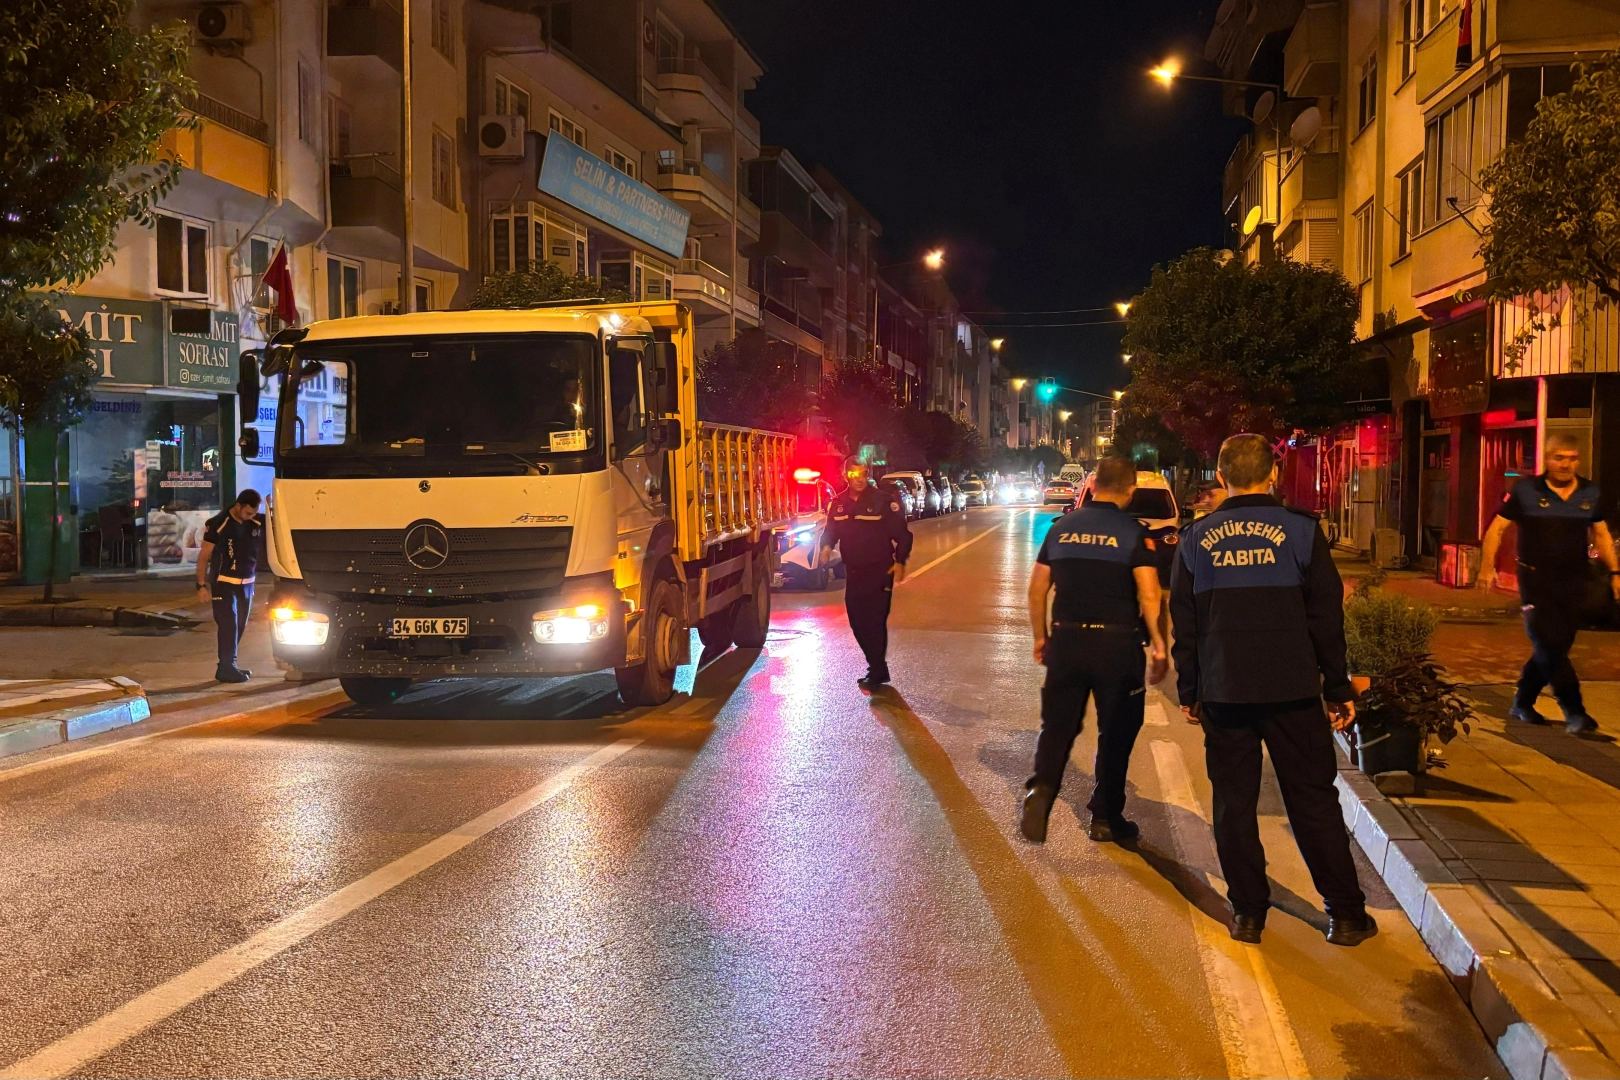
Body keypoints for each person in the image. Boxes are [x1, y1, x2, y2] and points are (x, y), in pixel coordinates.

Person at [1170, 434, 1376, 947]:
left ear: (1221, 477)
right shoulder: (1303, 533)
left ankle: (1248, 913)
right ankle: (1346, 914)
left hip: (1225, 690)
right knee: (1311, 799)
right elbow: (1327, 620)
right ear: (1273, 475)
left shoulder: (1196, 540)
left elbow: (1186, 622)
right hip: (1292, 691)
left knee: (1233, 803)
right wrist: (1337, 686)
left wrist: (1190, 687)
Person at [1020, 456, 1170, 845]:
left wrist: (1040, 637)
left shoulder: (1061, 528)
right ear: (1130, 489)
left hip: (1067, 642)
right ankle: (1105, 817)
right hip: (1117, 647)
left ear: (1092, 486)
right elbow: (1149, 594)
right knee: (1117, 731)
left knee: (1057, 727)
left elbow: (1037, 590)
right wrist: (1159, 645)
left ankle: (1042, 789)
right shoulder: (1132, 533)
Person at [1479, 433, 1620, 735]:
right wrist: (1485, 567)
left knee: (1556, 646)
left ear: (1578, 460)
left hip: (1573, 580)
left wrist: (1615, 574)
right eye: (1559, 457)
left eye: (1571, 458)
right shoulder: (1526, 490)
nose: (1565, 464)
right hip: (1535, 579)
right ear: (1547, 458)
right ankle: (1575, 712)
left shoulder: (1589, 493)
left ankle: (1522, 702)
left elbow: (1602, 535)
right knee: (1548, 642)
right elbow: (1497, 528)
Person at [820, 462, 913, 688]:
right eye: (853, 474)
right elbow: (830, 531)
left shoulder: (882, 501)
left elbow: (903, 534)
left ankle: (877, 668)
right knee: (857, 622)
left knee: (875, 621)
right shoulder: (839, 503)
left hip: (880, 570)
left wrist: (900, 561)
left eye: (863, 474)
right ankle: (876, 666)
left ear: (867, 475)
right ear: (845, 475)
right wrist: (826, 547)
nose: (859, 479)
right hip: (854, 571)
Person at [198, 490, 265, 684]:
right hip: (224, 583)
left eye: (254, 514)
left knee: (240, 626)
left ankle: (227, 666)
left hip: (247, 583)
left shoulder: (256, 523)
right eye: (248, 513)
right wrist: (201, 585)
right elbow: (204, 556)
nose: (251, 517)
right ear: (238, 506)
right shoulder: (219, 524)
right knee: (229, 625)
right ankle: (227, 666)